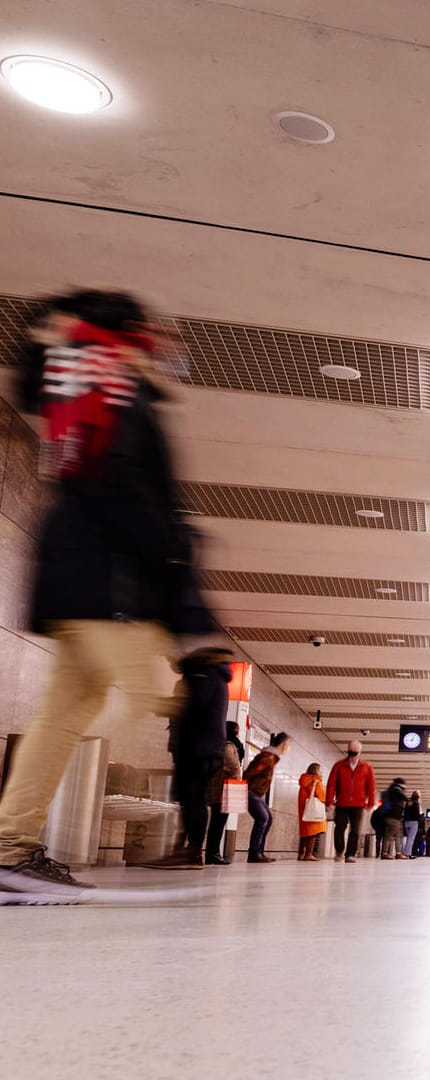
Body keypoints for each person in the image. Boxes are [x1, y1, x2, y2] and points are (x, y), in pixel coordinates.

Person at [0, 291, 213, 899]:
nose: (163, 342)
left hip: (82, 577)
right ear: (129, 333)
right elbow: (117, 485)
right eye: (151, 329)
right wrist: (172, 552)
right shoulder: (111, 387)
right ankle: (10, 849)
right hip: (106, 584)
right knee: (168, 698)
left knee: (65, 713)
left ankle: (9, 850)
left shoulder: (87, 385)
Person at [135, 646, 233, 869]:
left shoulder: (201, 673)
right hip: (205, 748)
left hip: (197, 748)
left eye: (170, 655)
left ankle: (191, 852)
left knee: (193, 799)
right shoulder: (214, 674)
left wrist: (160, 705)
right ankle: (186, 851)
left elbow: (191, 706)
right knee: (191, 799)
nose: (169, 661)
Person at [241, 733, 289, 864]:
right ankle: (254, 853)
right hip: (251, 791)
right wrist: (243, 786)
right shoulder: (268, 757)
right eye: (288, 745)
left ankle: (259, 852)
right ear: (283, 745)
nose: (288, 748)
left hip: (256, 793)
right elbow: (251, 772)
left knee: (268, 818)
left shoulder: (271, 757)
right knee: (263, 818)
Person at [326, 740, 375, 864]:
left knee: (355, 830)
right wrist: (329, 802)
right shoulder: (339, 765)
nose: (352, 756)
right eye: (350, 752)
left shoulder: (366, 767)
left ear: (360, 752)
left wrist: (370, 803)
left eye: (355, 753)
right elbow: (331, 784)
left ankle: (350, 854)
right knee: (339, 828)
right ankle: (339, 850)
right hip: (342, 803)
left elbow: (371, 787)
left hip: (358, 804)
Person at [205, 720, 245, 865]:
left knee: (217, 821)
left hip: (219, 785)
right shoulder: (229, 745)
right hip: (226, 787)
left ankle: (213, 853)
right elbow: (232, 765)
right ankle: (213, 853)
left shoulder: (219, 742)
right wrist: (237, 779)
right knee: (218, 822)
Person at [296, 763, 326, 861]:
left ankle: (301, 854)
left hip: (304, 810)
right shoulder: (315, 781)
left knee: (305, 833)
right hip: (313, 811)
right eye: (320, 771)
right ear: (316, 771)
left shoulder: (304, 780)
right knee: (313, 832)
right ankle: (308, 854)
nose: (321, 773)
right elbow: (323, 796)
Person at [380, 777, 407, 860]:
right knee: (395, 835)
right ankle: (395, 853)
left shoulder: (392, 790)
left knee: (391, 835)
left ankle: (387, 853)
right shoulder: (396, 789)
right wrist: (408, 800)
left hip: (391, 816)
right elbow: (403, 796)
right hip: (393, 816)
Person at [402, 792, 422, 860]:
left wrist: (404, 820)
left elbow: (404, 812)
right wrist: (419, 820)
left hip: (407, 822)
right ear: (418, 796)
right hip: (414, 822)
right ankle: (408, 854)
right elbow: (417, 813)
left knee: (408, 838)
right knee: (411, 839)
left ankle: (405, 852)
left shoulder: (408, 802)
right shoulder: (416, 802)